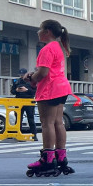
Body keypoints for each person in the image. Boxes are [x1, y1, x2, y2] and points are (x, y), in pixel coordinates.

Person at [23, 20, 74, 176]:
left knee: (47, 124)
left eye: (40, 29)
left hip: (50, 88)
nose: (38, 32)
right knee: (59, 123)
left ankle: (47, 158)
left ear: (48, 32)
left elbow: (44, 73)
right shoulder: (59, 47)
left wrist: (31, 79)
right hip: (62, 87)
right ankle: (61, 157)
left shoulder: (46, 49)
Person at [10, 68, 38, 141]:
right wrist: (16, 90)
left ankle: (34, 135)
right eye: (20, 75)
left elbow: (35, 91)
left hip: (28, 101)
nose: (22, 76)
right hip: (19, 101)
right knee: (18, 119)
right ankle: (18, 134)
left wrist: (27, 90)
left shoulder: (31, 81)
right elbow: (12, 91)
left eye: (23, 74)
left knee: (31, 119)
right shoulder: (17, 81)